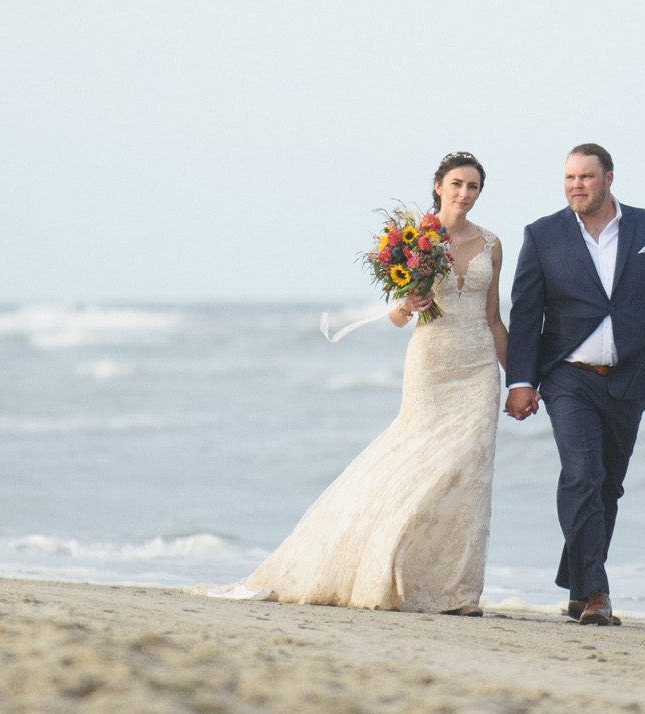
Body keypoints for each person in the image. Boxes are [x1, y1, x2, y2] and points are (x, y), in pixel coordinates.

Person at [195, 153, 505, 613]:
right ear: (438, 186)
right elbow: (398, 317)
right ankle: (392, 570)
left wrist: (520, 380)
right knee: (417, 465)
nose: (465, 193)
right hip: (431, 363)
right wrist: (410, 303)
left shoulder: (493, 244)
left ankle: (458, 592)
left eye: (474, 186)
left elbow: (495, 317)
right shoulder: (415, 238)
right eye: (457, 184)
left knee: (471, 472)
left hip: (479, 366)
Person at [504, 143, 645, 626]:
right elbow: (526, 313)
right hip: (568, 375)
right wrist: (521, 380)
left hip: (629, 376)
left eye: (586, 177)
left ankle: (576, 581)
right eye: (569, 178)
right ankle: (595, 592)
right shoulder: (543, 235)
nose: (576, 186)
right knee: (582, 476)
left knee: (608, 485)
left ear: (609, 178)